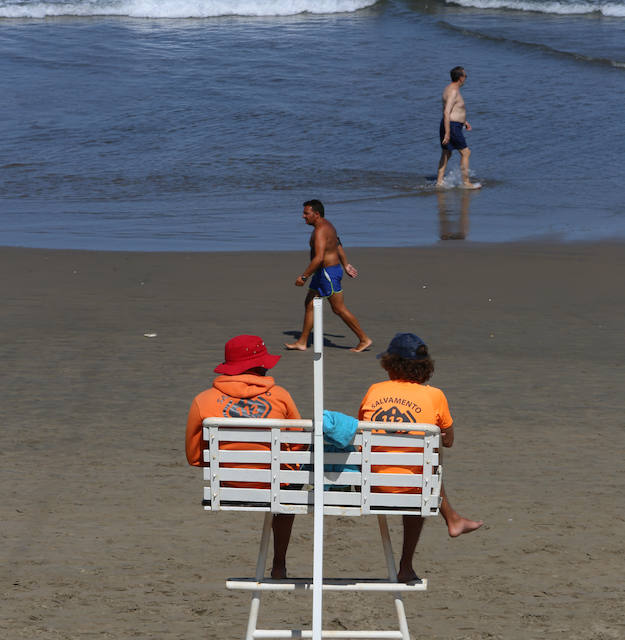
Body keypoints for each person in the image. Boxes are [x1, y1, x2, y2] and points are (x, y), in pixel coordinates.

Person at [359, 332, 483, 583]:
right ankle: (407, 564)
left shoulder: (374, 390)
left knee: (417, 467)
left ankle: (454, 520)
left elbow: (362, 432)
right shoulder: (435, 395)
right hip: (412, 490)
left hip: (370, 485)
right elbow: (448, 440)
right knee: (427, 464)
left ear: (390, 365)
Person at [185, 334, 300, 579]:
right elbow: (298, 444)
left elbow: (194, 456)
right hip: (274, 482)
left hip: (227, 485)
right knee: (291, 483)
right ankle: (279, 562)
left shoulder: (203, 400)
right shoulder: (280, 395)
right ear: (261, 365)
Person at [285, 199, 372, 353]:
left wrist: (304, 277)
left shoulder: (320, 231)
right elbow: (338, 245)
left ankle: (364, 339)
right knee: (309, 303)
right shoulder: (327, 225)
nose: (303, 216)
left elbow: (318, 258)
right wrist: (346, 264)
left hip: (328, 274)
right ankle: (302, 342)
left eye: (306, 213)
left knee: (338, 309)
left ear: (316, 214)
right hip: (323, 273)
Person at [436, 66, 481, 190]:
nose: (466, 78)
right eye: (465, 76)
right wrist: (448, 132)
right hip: (452, 126)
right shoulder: (454, 91)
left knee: (446, 153)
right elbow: (446, 112)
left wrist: (464, 121)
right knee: (466, 152)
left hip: (452, 124)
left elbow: (453, 109)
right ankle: (466, 182)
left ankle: (439, 181)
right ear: (460, 78)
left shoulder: (448, 89)